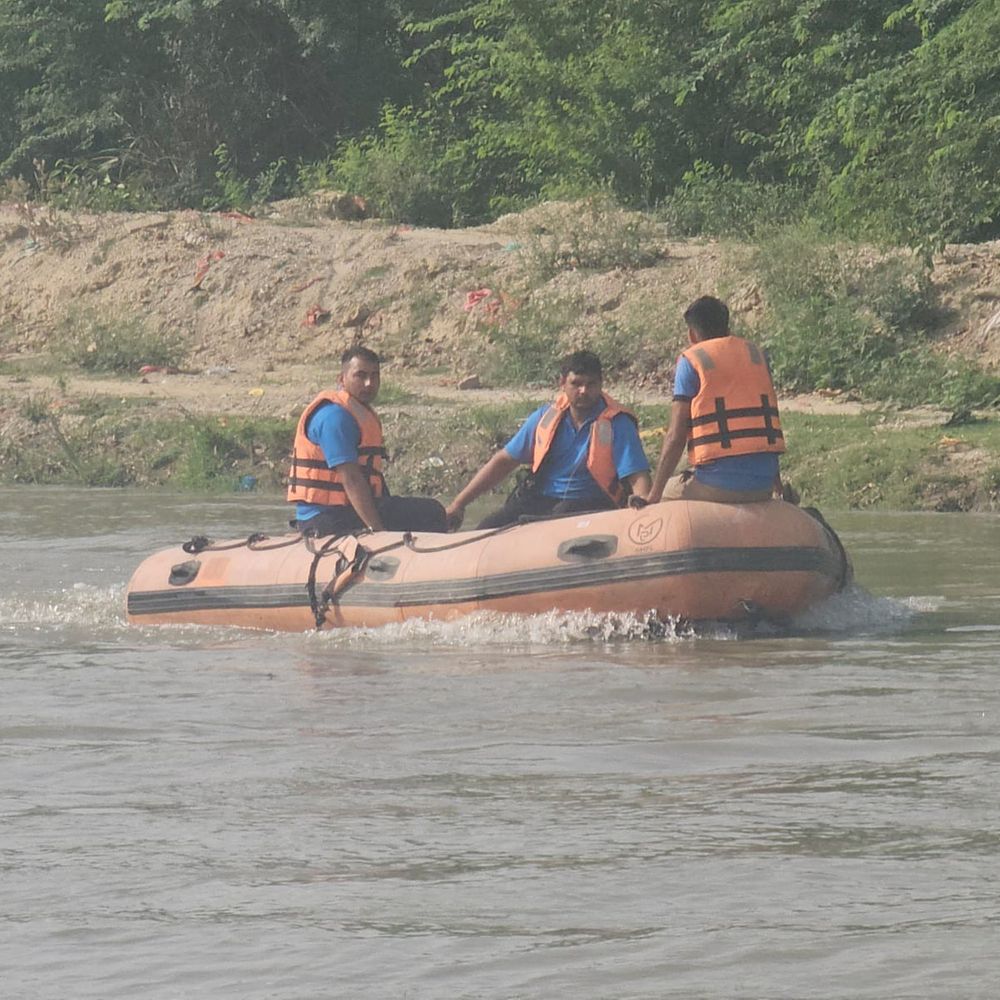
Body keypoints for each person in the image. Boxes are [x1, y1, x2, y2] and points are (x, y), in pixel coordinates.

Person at [445, 350, 651, 530]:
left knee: (561, 513)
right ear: (562, 383)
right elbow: (504, 461)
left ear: (601, 384)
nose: (584, 391)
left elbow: (637, 475)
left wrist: (642, 506)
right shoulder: (545, 418)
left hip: (591, 504)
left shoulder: (617, 423)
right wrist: (458, 504)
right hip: (542, 499)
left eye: (591, 384)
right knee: (488, 527)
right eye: (576, 384)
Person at [287, 346, 447, 536]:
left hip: (346, 511)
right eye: (360, 376)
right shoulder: (334, 417)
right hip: (325, 517)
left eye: (374, 376)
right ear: (342, 379)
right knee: (432, 512)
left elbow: (370, 476)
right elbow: (351, 479)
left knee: (416, 509)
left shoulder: (358, 413)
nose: (369, 383)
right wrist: (379, 532)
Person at [643, 295, 784, 504]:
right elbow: (764, 425)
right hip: (763, 487)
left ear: (692, 334)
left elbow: (676, 436)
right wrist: (777, 487)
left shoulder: (691, 361)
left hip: (716, 486)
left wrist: (653, 495)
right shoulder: (756, 356)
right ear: (727, 328)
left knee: (665, 495)